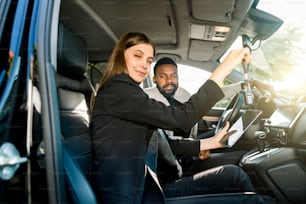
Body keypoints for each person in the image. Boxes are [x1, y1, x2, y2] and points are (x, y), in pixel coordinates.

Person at [91, 32, 273, 203]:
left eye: (148, 60)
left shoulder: (127, 93)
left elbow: (163, 143)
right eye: (137, 56)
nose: (144, 65)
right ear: (121, 55)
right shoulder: (119, 91)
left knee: (233, 175)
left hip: (151, 185)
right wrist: (224, 67)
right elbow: (182, 119)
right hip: (136, 196)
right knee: (252, 200)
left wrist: (211, 143)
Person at [144, 57, 272, 176]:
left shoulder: (181, 93)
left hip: (188, 145)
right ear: (154, 79)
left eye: (173, 76)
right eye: (163, 76)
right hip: (175, 159)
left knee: (231, 136)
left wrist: (244, 85)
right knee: (243, 158)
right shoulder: (147, 100)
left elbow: (208, 98)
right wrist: (198, 147)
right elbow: (166, 145)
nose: (169, 81)